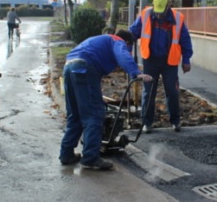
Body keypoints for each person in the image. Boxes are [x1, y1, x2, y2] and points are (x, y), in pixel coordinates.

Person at [59, 30, 152, 170]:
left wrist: (97, 97)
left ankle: (66, 154)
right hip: (84, 68)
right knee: (94, 115)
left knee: (75, 114)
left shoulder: (99, 39)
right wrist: (136, 73)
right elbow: (122, 55)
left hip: (69, 67)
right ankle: (90, 158)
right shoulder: (117, 41)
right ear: (127, 42)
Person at [129, 0, 193, 133]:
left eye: (161, 12)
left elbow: (185, 40)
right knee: (148, 92)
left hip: (169, 61)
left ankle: (175, 121)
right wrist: (126, 49)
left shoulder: (177, 18)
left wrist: (186, 60)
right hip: (150, 60)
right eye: (157, 12)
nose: (159, 16)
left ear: (168, 7)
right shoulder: (145, 15)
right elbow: (132, 32)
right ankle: (147, 123)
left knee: (172, 91)